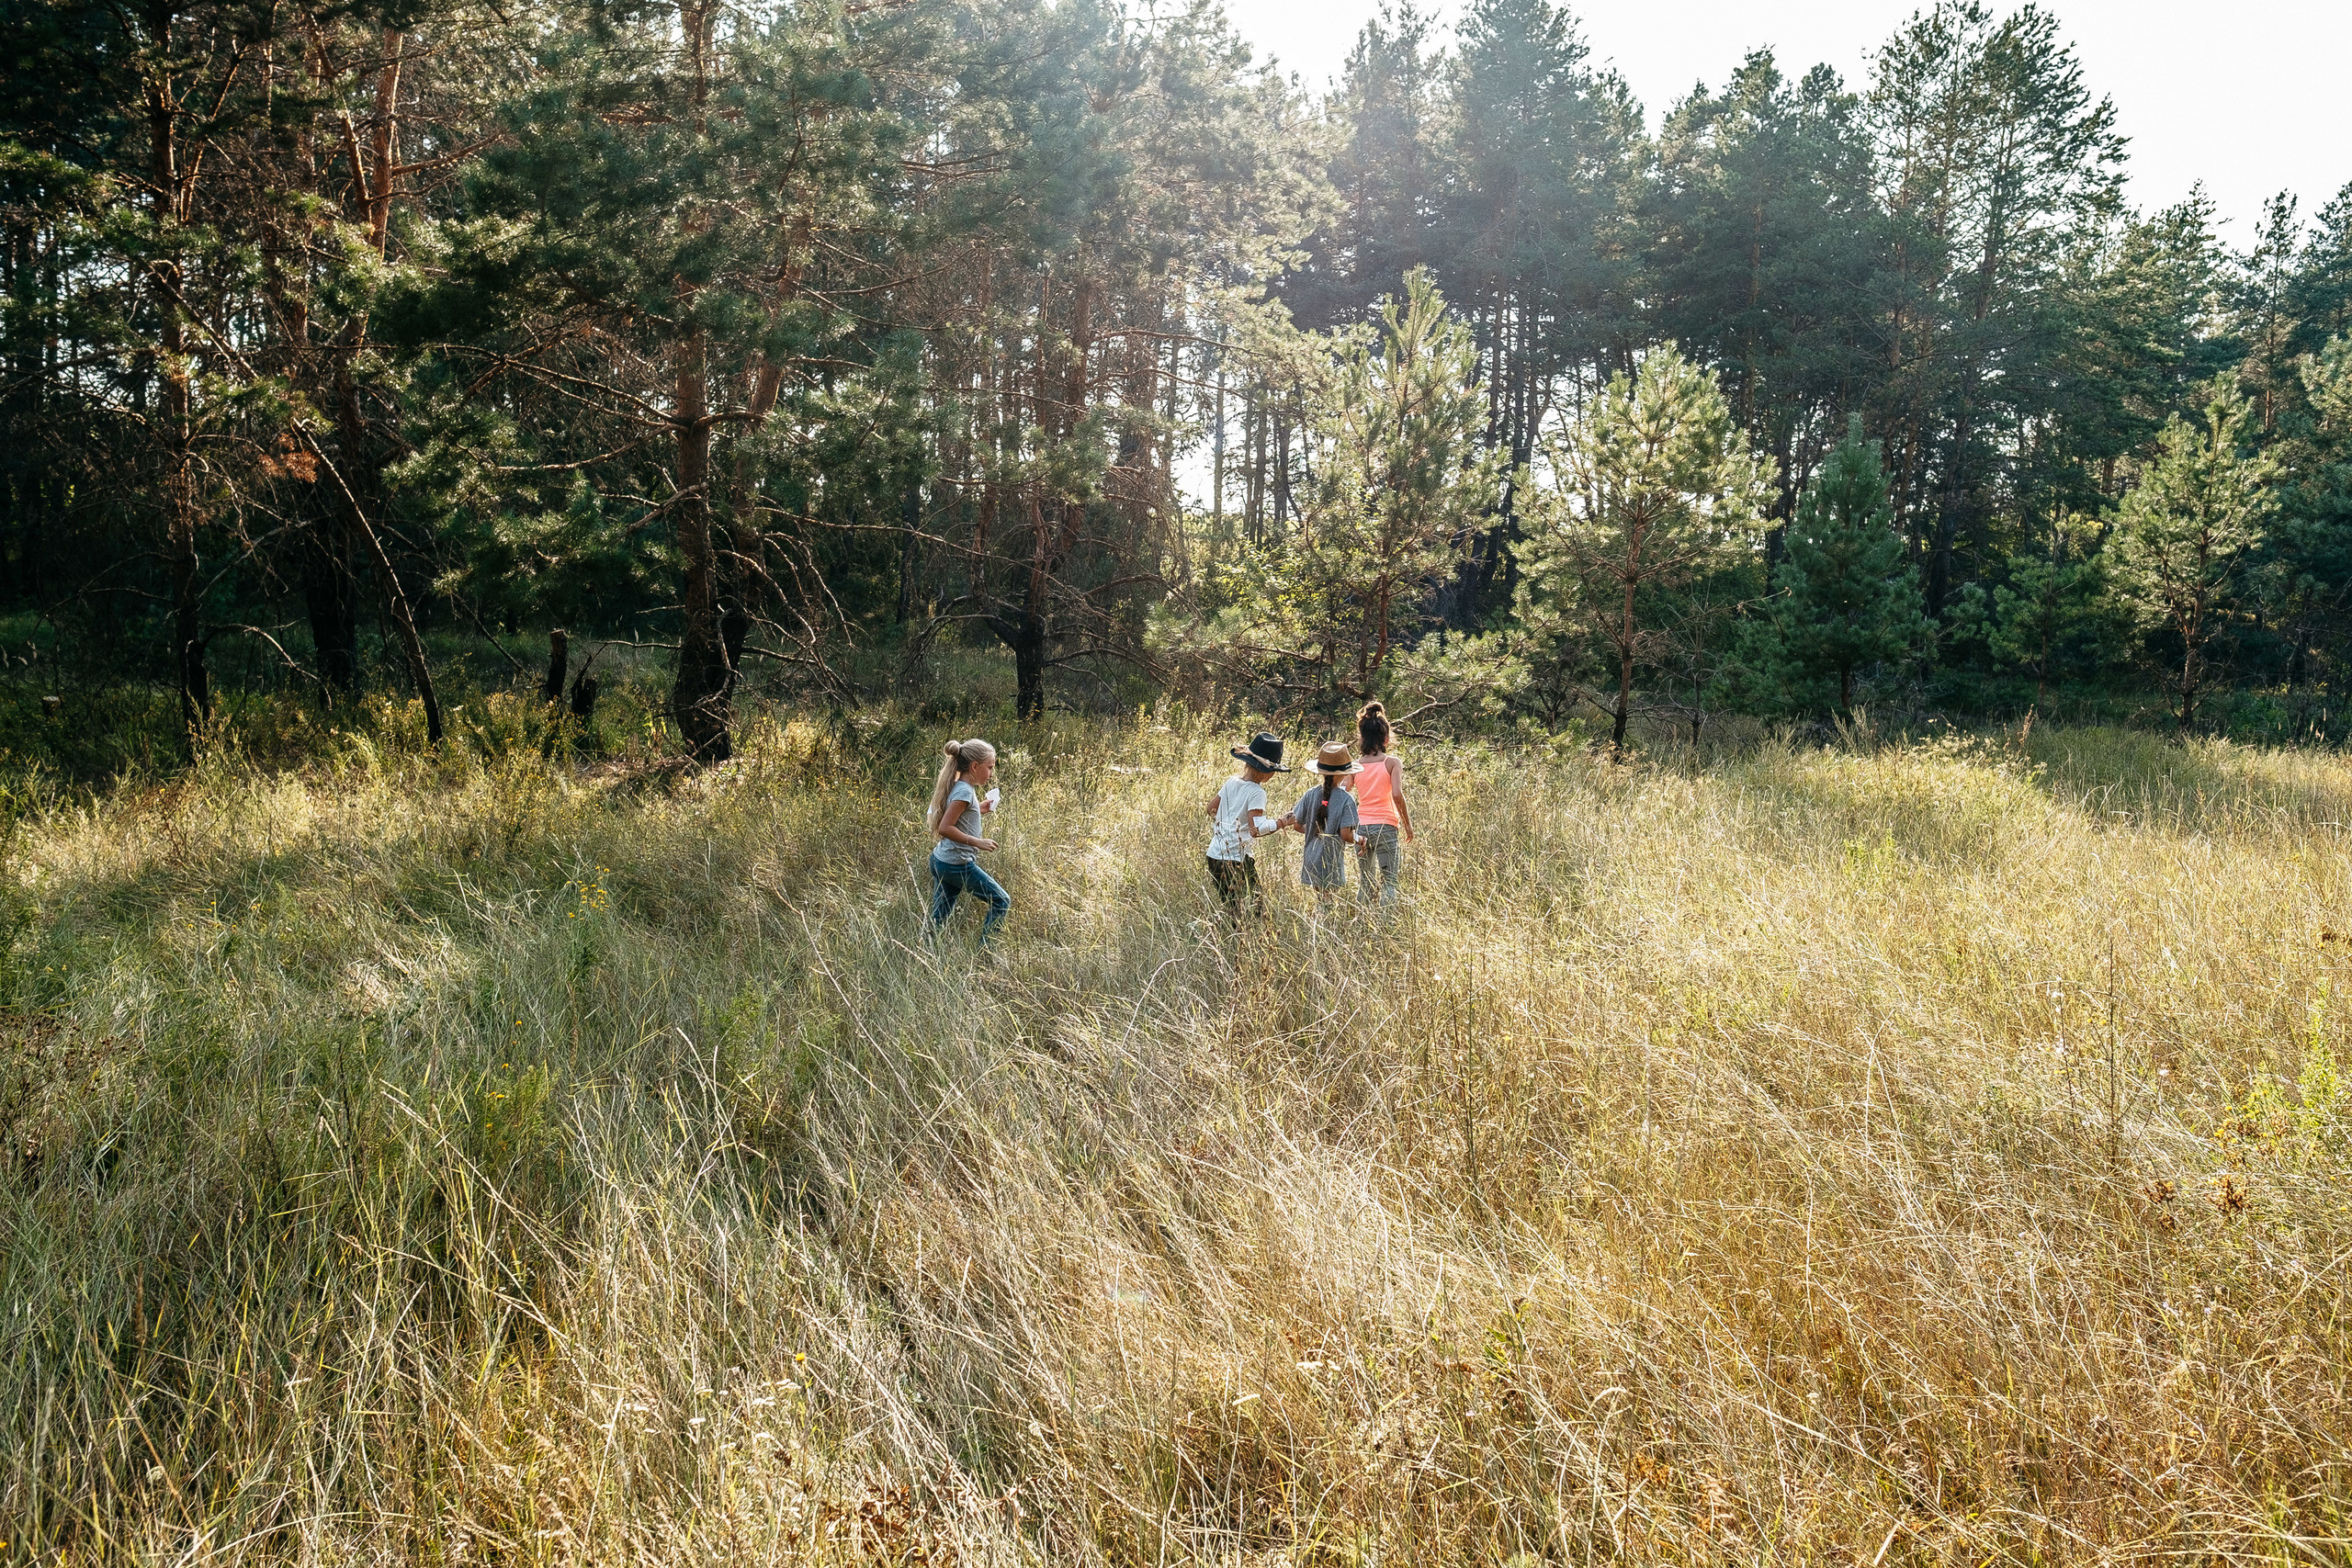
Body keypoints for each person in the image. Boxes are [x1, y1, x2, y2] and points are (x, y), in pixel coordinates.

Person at [925, 739, 1009, 943]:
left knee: (940, 914)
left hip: (942, 861)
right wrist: (977, 842)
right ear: (974, 766)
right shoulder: (963, 791)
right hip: (957, 864)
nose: (991, 773)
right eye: (989, 767)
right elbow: (945, 828)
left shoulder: (960, 787)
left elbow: (957, 816)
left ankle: (925, 948)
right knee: (1001, 901)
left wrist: (978, 809)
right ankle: (985, 952)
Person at [1204, 731, 1287, 917]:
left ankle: (1229, 938)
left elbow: (1211, 809)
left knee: (1233, 906)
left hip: (1215, 855)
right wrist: (1282, 822)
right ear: (1268, 772)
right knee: (1253, 906)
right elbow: (1256, 829)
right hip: (1235, 858)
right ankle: (1237, 940)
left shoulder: (1232, 782)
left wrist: (1226, 825)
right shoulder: (1256, 792)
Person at [1351, 700, 1414, 908]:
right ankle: (1386, 926)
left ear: (1362, 737)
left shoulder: (1355, 766)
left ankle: (1362, 924)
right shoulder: (1392, 763)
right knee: (1389, 883)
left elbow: (1342, 792)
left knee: (1365, 882)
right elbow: (1396, 794)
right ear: (1386, 739)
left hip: (1361, 828)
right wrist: (1407, 822)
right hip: (1386, 826)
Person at [1278, 741, 1362, 898]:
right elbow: (1346, 835)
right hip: (1330, 860)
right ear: (1344, 773)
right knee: (1328, 900)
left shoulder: (1311, 794)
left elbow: (1297, 825)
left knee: (1320, 899)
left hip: (1311, 857)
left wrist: (1314, 830)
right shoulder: (1346, 799)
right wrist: (1360, 839)